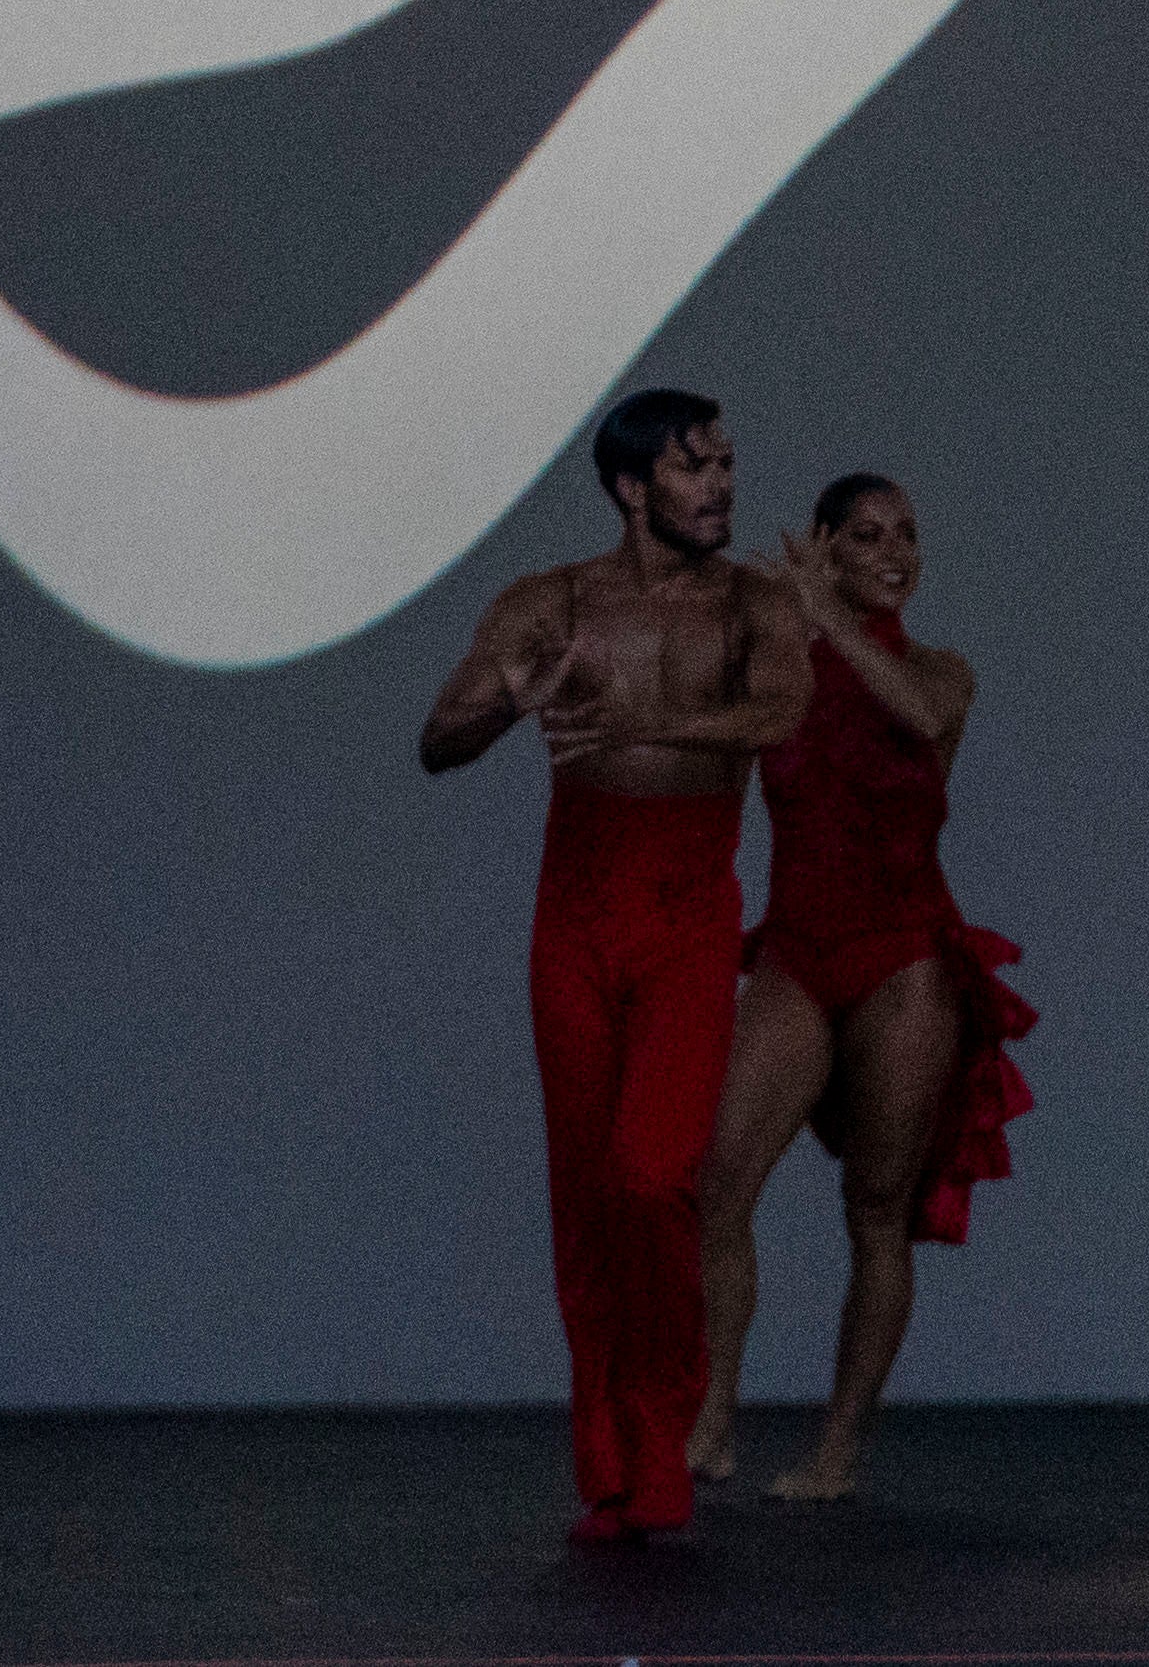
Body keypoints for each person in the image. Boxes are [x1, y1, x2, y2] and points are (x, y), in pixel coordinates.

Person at [418, 388, 812, 1544]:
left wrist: (656, 729)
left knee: (654, 1177)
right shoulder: (552, 604)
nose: (722, 487)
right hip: (577, 916)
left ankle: (665, 1431)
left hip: (688, 911)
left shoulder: (757, 603)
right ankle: (610, 1463)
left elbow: (781, 715)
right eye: (696, 469)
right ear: (631, 488)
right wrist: (506, 707)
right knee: (589, 1197)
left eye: (728, 464)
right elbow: (435, 740)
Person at [689, 472, 1041, 1504]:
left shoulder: (940, 671)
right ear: (828, 546)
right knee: (717, 1182)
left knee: (875, 1209)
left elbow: (919, 715)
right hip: (801, 950)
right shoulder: (780, 669)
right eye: (871, 536)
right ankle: (712, 1418)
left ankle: (838, 1448)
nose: (897, 552)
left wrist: (825, 619)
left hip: (904, 959)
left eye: (910, 536)